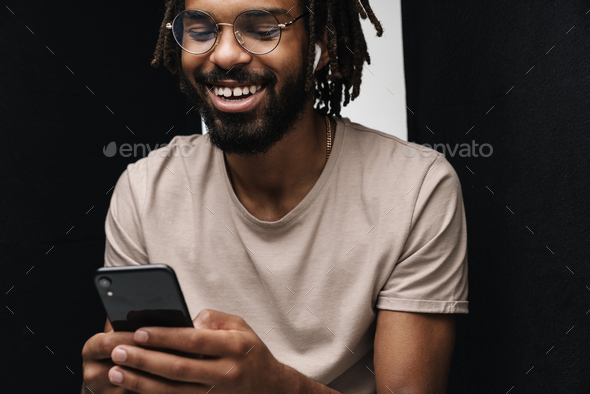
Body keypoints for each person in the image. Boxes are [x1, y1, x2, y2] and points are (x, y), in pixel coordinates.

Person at [81, 0, 469, 392]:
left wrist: (275, 384)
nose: (225, 54)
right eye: (200, 30)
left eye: (263, 28)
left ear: (321, 44)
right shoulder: (146, 190)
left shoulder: (415, 189)